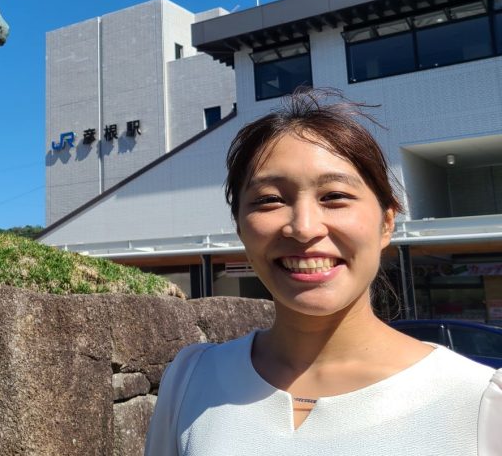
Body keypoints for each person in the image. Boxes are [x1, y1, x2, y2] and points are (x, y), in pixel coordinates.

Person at [145, 90, 501, 456]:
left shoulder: (481, 404)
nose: (304, 228)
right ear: (240, 229)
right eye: (269, 199)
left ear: (386, 224)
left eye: (334, 196)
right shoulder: (190, 380)